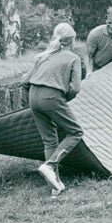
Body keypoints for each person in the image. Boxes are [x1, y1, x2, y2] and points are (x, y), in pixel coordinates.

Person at [22, 23, 84, 197]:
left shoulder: (43, 56)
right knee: (75, 132)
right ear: (72, 40)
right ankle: (50, 165)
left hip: (33, 95)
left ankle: (55, 186)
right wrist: (63, 99)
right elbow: (76, 87)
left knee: (49, 140)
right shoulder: (73, 58)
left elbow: (25, 81)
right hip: (51, 96)